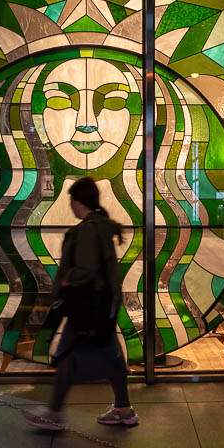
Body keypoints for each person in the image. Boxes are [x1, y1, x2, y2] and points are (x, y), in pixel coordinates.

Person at [26, 177, 138, 431]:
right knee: (111, 356)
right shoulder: (101, 227)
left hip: (85, 304)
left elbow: (86, 268)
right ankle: (124, 409)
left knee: (66, 354)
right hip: (102, 304)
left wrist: (66, 280)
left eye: (71, 200)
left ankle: (53, 413)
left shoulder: (87, 229)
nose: (70, 205)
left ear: (79, 202)